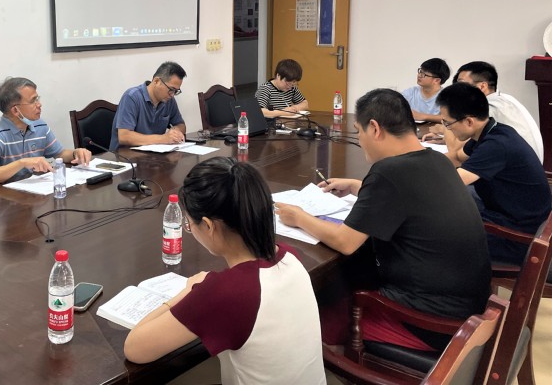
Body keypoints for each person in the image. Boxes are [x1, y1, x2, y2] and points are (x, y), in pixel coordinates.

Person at [275, 89, 490, 351]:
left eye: (359, 131)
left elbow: (345, 242)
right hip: (468, 308)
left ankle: (334, 351)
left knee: (312, 313)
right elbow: (411, 193)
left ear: (375, 128)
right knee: (354, 269)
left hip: (431, 323)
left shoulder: (388, 172)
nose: (360, 139)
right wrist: (359, 186)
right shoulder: (437, 160)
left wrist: (299, 217)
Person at [124, 157, 325, 385]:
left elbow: (135, 348)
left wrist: (190, 292)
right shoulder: (290, 256)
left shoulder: (226, 293)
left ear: (208, 226)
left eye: (189, 224)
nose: (190, 229)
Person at [437, 82, 551, 264]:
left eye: (447, 123)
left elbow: (452, 182)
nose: (447, 127)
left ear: (469, 121)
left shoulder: (496, 145)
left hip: (519, 236)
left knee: (433, 233)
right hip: (510, 215)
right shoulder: (492, 131)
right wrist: (420, 161)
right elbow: (457, 157)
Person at [0, 77, 91, 186]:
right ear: (15, 110)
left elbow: (59, 154)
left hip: (36, 190)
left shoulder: (39, 125)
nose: (39, 104)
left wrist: (75, 153)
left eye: (37, 99)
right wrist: (22, 163)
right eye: (33, 101)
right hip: (7, 195)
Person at [453, 61, 544, 162]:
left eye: (461, 84)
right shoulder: (506, 98)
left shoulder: (488, 109)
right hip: (531, 163)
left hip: (516, 166)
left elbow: (456, 151)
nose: (456, 89)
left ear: (482, 87)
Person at [109, 62, 187, 150]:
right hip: (125, 155)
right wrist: (163, 138)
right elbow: (124, 136)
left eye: (176, 91)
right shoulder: (132, 97)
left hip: (154, 154)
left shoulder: (169, 100)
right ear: (156, 81)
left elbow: (181, 125)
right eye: (171, 89)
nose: (172, 95)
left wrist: (175, 132)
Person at [400, 58, 449, 123]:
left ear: (437, 80)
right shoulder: (411, 92)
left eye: (424, 74)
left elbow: (450, 118)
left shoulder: (446, 96)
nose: (419, 75)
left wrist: (422, 116)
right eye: (420, 71)